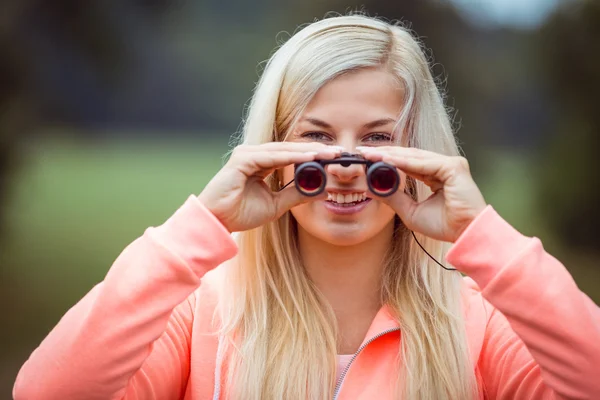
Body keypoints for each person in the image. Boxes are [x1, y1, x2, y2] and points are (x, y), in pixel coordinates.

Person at [12, 14, 600, 400]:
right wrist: (199, 228)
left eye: (377, 140)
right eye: (315, 138)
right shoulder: (204, 314)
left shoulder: (477, 325)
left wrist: (482, 237)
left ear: (421, 151)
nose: (346, 167)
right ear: (271, 145)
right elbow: (48, 393)